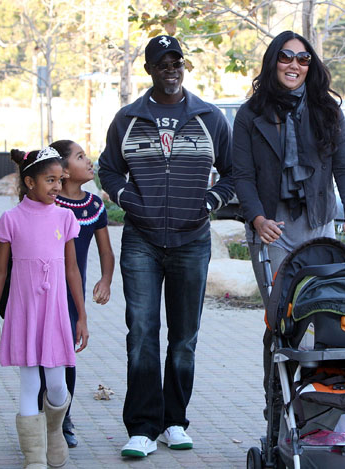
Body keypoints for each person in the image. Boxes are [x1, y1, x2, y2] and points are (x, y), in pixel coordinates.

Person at [99, 34, 234, 458]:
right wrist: (129, 201)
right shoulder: (127, 118)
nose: (171, 70)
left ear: (184, 68)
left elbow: (232, 174)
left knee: (184, 337)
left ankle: (174, 422)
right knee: (141, 333)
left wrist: (209, 203)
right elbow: (108, 170)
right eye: (162, 64)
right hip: (141, 240)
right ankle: (142, 427)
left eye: (177, 63)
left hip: (191, 242)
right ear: (149, 70)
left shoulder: (210, 117)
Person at [232, 30, 345, 394]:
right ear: (274, 61)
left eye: (303, 58)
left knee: (323, 315)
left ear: (311, 65)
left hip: (318, 222)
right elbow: (242, 176)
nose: (294, 64)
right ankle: (279, 405)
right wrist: (258, 219)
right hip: (272, 228)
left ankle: (321, 404)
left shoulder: (327, 110)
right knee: (285, 318)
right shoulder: (250, 115)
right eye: (286, 57)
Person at [0, 147, 89, 469]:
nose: (57, 186)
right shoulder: (11, 219)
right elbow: (1, 271)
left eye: (60, 179)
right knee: (30, 382)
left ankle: (54, 429)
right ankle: (34, 458)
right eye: (50, 180)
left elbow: (72, 269)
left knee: (57, 384)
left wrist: (81, 315)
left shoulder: (65, 217)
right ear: (29, 182)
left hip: (56, 313)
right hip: (24, 312)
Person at [36, 140, 115, 448]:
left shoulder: (93, 205)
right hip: (41, 291)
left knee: (66, 357)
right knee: (39, 355)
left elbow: (106, 250)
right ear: (64, 171)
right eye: (81, 157)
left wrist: (105, 280)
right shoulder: (49, 204)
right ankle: (37, 416)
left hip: (72, 295)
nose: (89, 160)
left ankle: (62, 419)